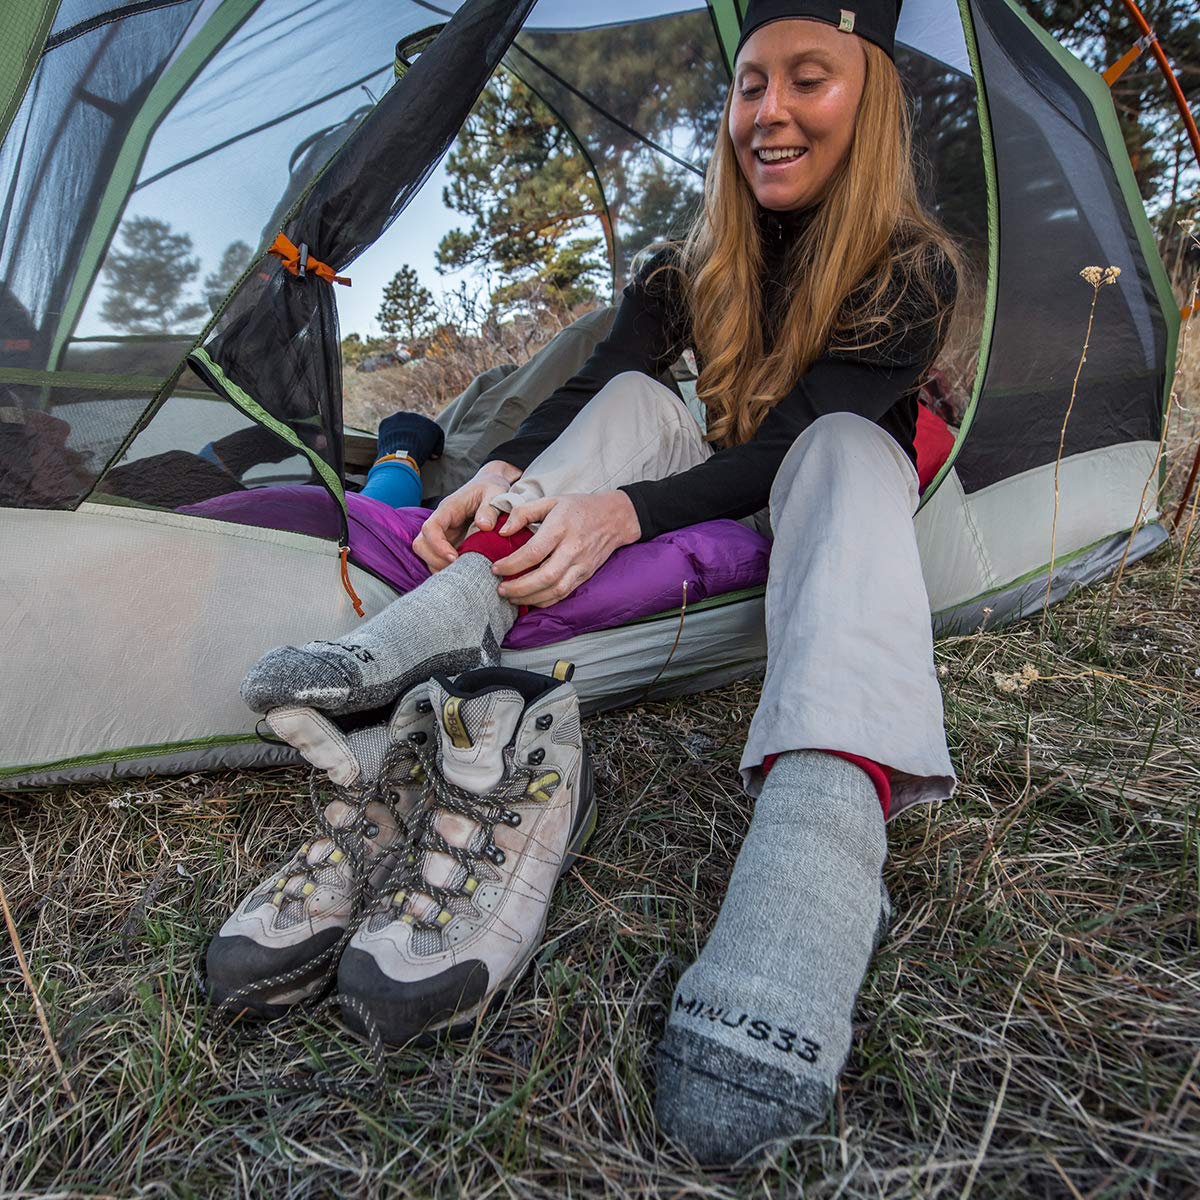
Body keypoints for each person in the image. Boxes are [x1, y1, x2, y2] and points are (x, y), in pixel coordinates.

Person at [208, 0, 963, 1165]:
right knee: (633, 401)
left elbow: (800, 436)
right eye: (750, 83)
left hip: (820, 480)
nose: (768, 112)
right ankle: (454, 617)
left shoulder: (910, 271)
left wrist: (628, 514)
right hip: (708, 464)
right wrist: (514, 466)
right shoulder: (693, 263)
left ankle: (820, 838)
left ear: (869, 100)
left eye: (807, 80)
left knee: (850, 451)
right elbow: (600, 387)